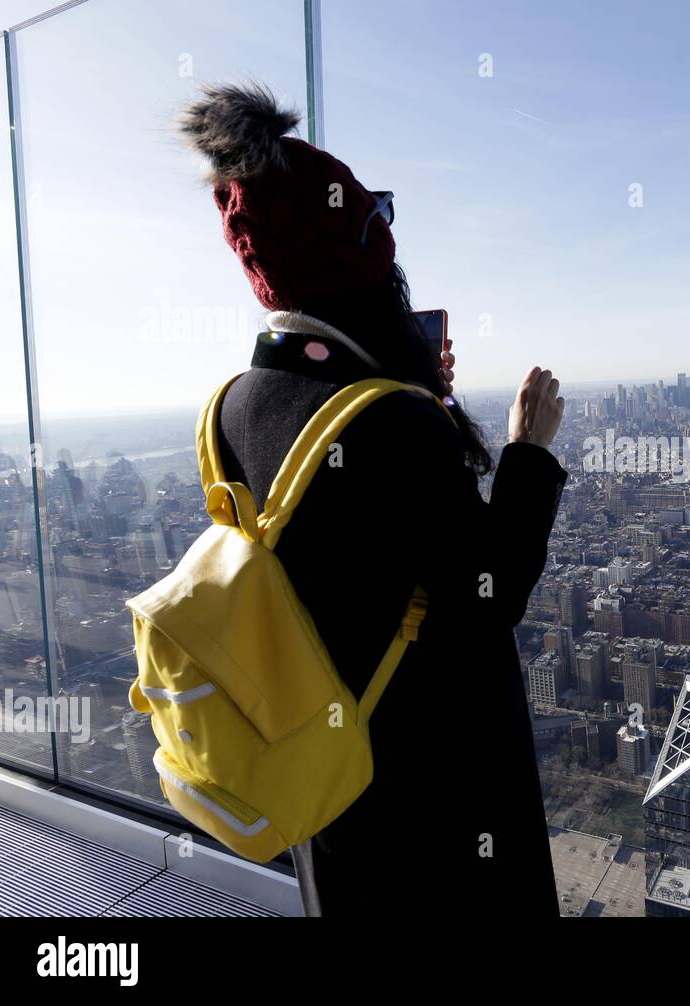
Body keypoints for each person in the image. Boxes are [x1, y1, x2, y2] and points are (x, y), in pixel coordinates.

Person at [179, 83, 565, 916]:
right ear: (357, 268)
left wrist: (412, 396)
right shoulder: (393, 422)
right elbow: (489, 593)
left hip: (322, 773)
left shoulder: (231, 406)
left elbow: (348, 548)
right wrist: (528, 453)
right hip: (433, 788)